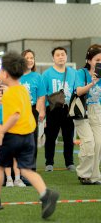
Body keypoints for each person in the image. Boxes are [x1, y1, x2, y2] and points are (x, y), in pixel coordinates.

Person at [0, 52, 59, 220]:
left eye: (1, 70)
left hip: (13, 137)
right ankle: (46, 194)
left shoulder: (9, 93)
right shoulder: (24, 90)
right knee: (25, 169)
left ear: (6, 74)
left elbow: (15, 115)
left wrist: (1, 131)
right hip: (27, 136)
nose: (0, 73)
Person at [42, 47, 76, 172]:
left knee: (69, 137)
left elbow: (76, 90)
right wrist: (44, 113)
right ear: (53, 58)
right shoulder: (47, 74)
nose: (61, 57)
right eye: (58, 55)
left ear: (66, 57)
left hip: (68, 109)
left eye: (63, 54)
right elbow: (43, 93)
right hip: (52, 109)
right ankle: (49, 163)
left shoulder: (73, 73)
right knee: (50, 137)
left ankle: (69, 162)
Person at [73, 45, 101, 185]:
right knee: (89, 142)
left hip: (97, 111)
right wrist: (92, 83)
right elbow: (78, 91)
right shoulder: (81, 73)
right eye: (98, 59)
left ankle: (95, 176)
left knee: (99, 144)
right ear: (89, 60)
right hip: (82, 111)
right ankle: (84, 174)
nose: (100, 62)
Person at [21, 49, 46, 170]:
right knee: (18, 139)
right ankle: (18, 167)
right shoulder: (16, 75)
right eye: (27, 58)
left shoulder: (37, 76)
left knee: (32, 139)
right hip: (18, 110)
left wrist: (38, 110)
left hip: (32, 110)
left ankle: (31, 167)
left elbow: (41, 95)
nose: (30, 60)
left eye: (32, 58)